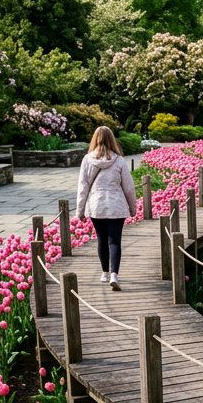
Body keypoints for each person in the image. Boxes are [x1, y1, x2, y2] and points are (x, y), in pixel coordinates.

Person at [76, 125, 137, 292]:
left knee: (102, 240)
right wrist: (133, 208)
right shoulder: (119, 160)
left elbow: (83, 187)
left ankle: (104, 272)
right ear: (112, 139)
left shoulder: (87, 160)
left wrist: (79, 211)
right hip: (116, 205)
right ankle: (114, 275)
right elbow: (129, 187)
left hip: (97, 205)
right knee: (114, 241)